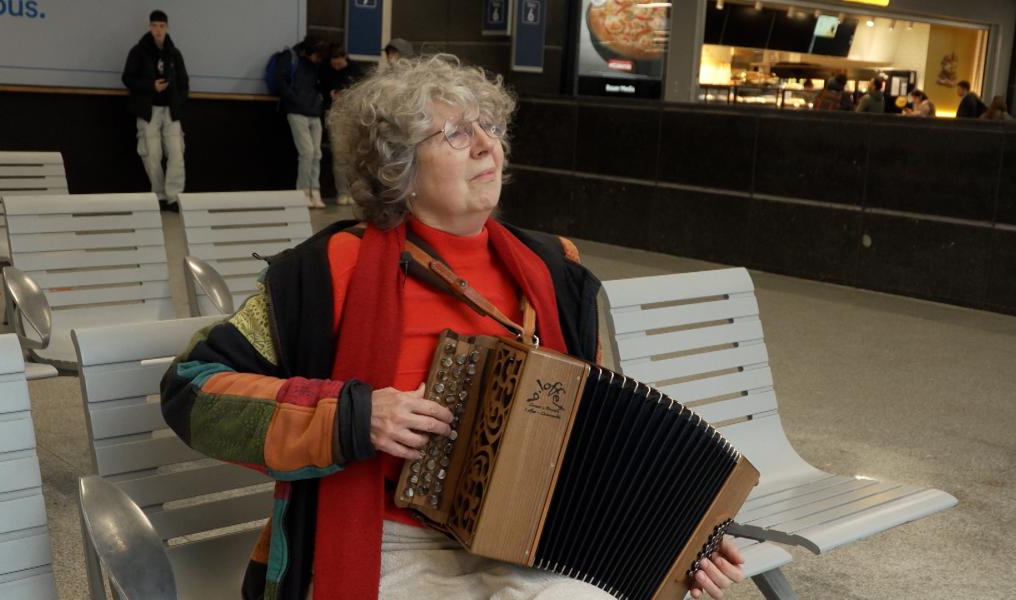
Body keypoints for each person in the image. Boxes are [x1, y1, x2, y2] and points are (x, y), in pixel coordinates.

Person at [160, 54, 745, 600]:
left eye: (490, 128)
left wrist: (678, 542)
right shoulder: (324, 273)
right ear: (399, 167)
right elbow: (193, 391)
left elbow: (596, 442)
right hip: (386, 540)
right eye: (458, 133)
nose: (488, 146)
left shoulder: (554, 272)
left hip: (534, 542)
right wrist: (353, 416)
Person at [122, 9, 189, 212]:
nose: (158, 30)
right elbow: (128, 78)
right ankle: (159, 194)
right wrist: (151, 86)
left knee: (176, 152)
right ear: (149, 27)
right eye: (154, 26)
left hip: (171, 110)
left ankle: (174, 197)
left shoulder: (174, 53)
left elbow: (184, 82)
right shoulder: (138, 51)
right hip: (148, 109)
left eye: (162, 26)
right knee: (152, 153)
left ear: (166, 28)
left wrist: (177, 99)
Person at [279, 34, 327, 209]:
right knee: (307, 152)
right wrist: (294, 99)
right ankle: (302, 192)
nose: (317, 59)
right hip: (297, 111)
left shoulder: (317, 64)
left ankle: (315, 190)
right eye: (316, 55)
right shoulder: (290, 57)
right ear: (308, 51)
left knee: (317, 154)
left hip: (314, 111)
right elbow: (281, 82)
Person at [318, 44, 363, 205]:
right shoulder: (325, 70)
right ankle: (342, 191)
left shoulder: (356, 70)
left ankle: (354, 192)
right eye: (334, 64)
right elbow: (319, 88)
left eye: (339, 64)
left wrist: (347, 94)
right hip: (335, 114)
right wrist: (329, 94)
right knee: (339, 156)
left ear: (346, 58)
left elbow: (363, 91)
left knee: (354, 156)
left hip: (353, 115)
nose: (336, 67)